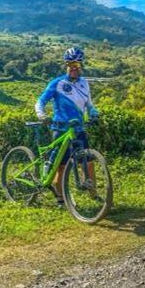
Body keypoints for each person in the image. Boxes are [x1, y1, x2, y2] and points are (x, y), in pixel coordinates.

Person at [35, 46, 100, 206]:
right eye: (70, 63)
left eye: (77, 64)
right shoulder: (57, 83)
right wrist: (41, 114)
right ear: (66, 65)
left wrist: (94, 113)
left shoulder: (85, 83)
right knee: (62, 166)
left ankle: (94, 194)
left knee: (89, 162)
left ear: (81, 65)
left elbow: (89, 104)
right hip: (60, 129)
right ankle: (60, 197)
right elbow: (41, 101)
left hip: (78, 129)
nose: (73, 67)